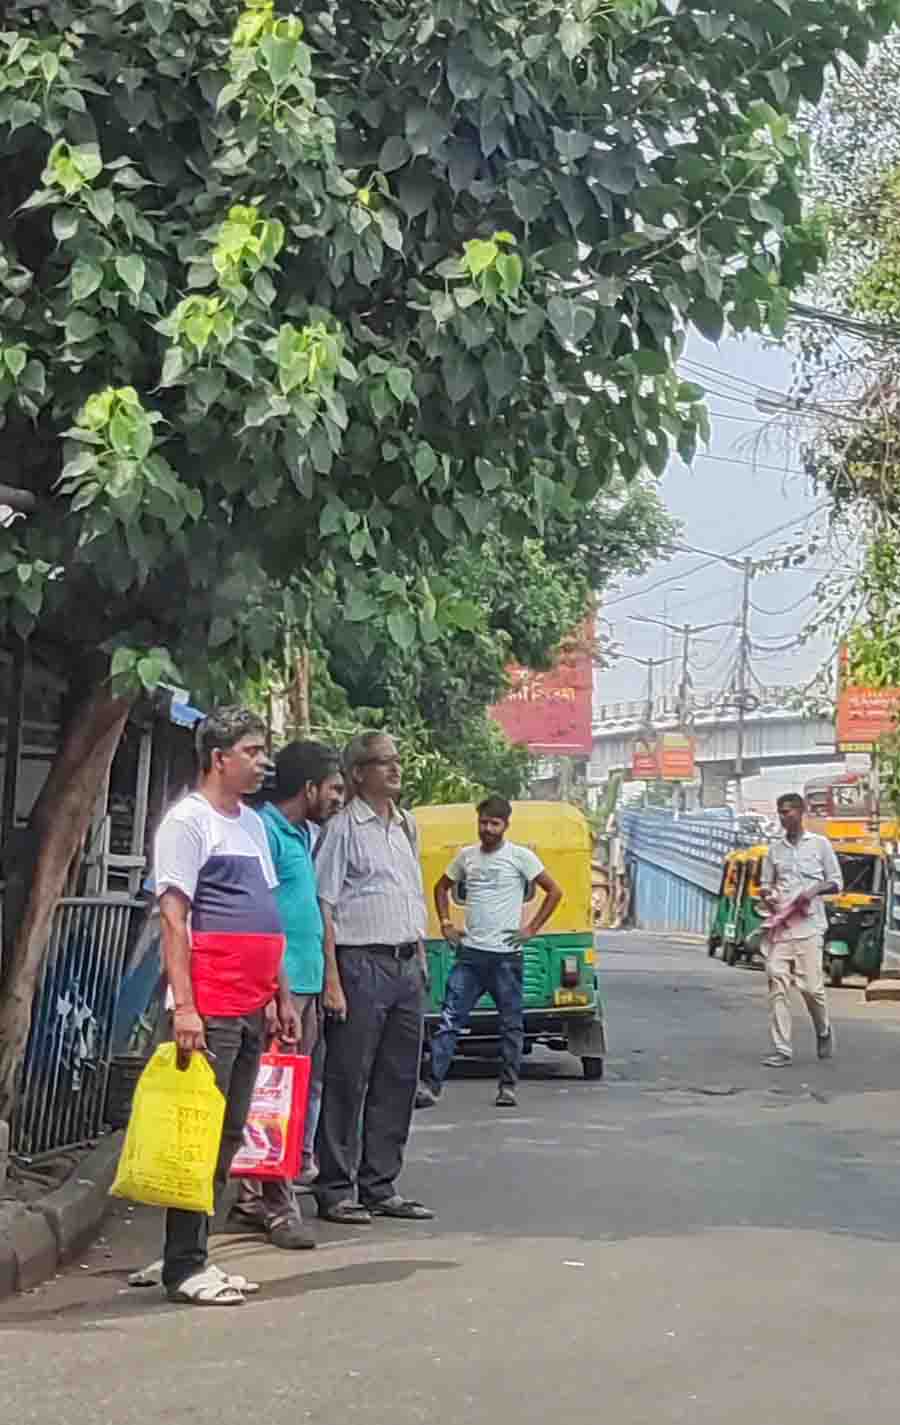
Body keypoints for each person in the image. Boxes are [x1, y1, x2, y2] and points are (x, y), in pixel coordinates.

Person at [151, 706, 300, 1305]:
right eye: (253, 751)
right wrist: (185, 1007)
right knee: (199, 1133)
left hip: (250, 1001)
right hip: (208, 1004)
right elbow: (173, 916)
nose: (264, 762)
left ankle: (193, 1254)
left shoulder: (253, 825)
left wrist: (280, 995)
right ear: (219, 758)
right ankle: (183, 1267)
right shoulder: (187, 823)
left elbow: (266, 915)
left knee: (230, 1132)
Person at [313, 730, 434, 1224]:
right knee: (347, 1077)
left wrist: (421, 957)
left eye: (396, 760)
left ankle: (380, 1184)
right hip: (360, 963)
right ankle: (336, 1188)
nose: (395, 770)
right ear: (359, 773)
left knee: (398, 1079)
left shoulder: (405, 826)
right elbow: (323, 904)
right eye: (383, 762)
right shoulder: (343, 829)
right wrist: (332, 979)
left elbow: (411, 895)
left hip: (406, 964)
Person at [230, 740, 344, 1246]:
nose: (339, 797)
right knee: (273, 1097)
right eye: (334, 788)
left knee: (291, 1095)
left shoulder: (303, 834)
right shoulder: (265, 831)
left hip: (307, 982)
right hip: (283, 987)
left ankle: (256, 1194)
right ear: (309, 787)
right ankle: (276, 1207)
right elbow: (266, 915)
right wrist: (279, 995)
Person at [419, 795, 563, 1110]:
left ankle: (508, 1087)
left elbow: (554, 891)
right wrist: (445, 923)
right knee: (448, 1022)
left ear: (505, 826)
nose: (487, 829)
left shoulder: (520, 857)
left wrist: (531, 929)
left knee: (511, 1024)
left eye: (494, 823)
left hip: (505, 957)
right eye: (483, 822)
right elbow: (441, 887)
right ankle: (431, 1087)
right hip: (470, 955)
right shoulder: (465, 857)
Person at [759, 792, 842, 1069]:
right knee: (777, 983)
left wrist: (813, 890)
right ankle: (782, 1049)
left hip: (810, 927)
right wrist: (768, 895)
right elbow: (765, 886)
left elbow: (836, 882)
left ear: (801, 812)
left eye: (788, 812)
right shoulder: (774, 851)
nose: (784, 817)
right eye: (780, 812)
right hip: (781, 929)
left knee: (811, 989)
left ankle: (823, 1029)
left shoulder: (820, 845)